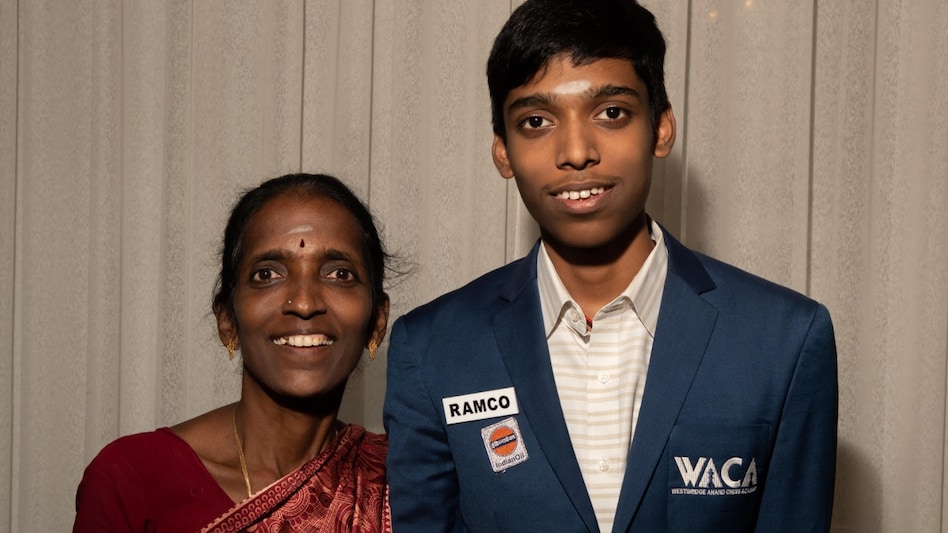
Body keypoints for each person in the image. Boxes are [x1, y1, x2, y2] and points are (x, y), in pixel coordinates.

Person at [383, 1, 837, 531]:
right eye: (536, 121)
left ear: (661, 128)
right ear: (502, 152)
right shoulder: (433, 348)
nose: (576, 151)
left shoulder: (783, 339)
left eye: (612, 113)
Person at [74, 173, 392, 532]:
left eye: (339, 274)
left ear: (377, 321)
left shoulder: (401, 482)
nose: (304, 302)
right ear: (227, 319)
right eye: (267, 274)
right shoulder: (135, 479)